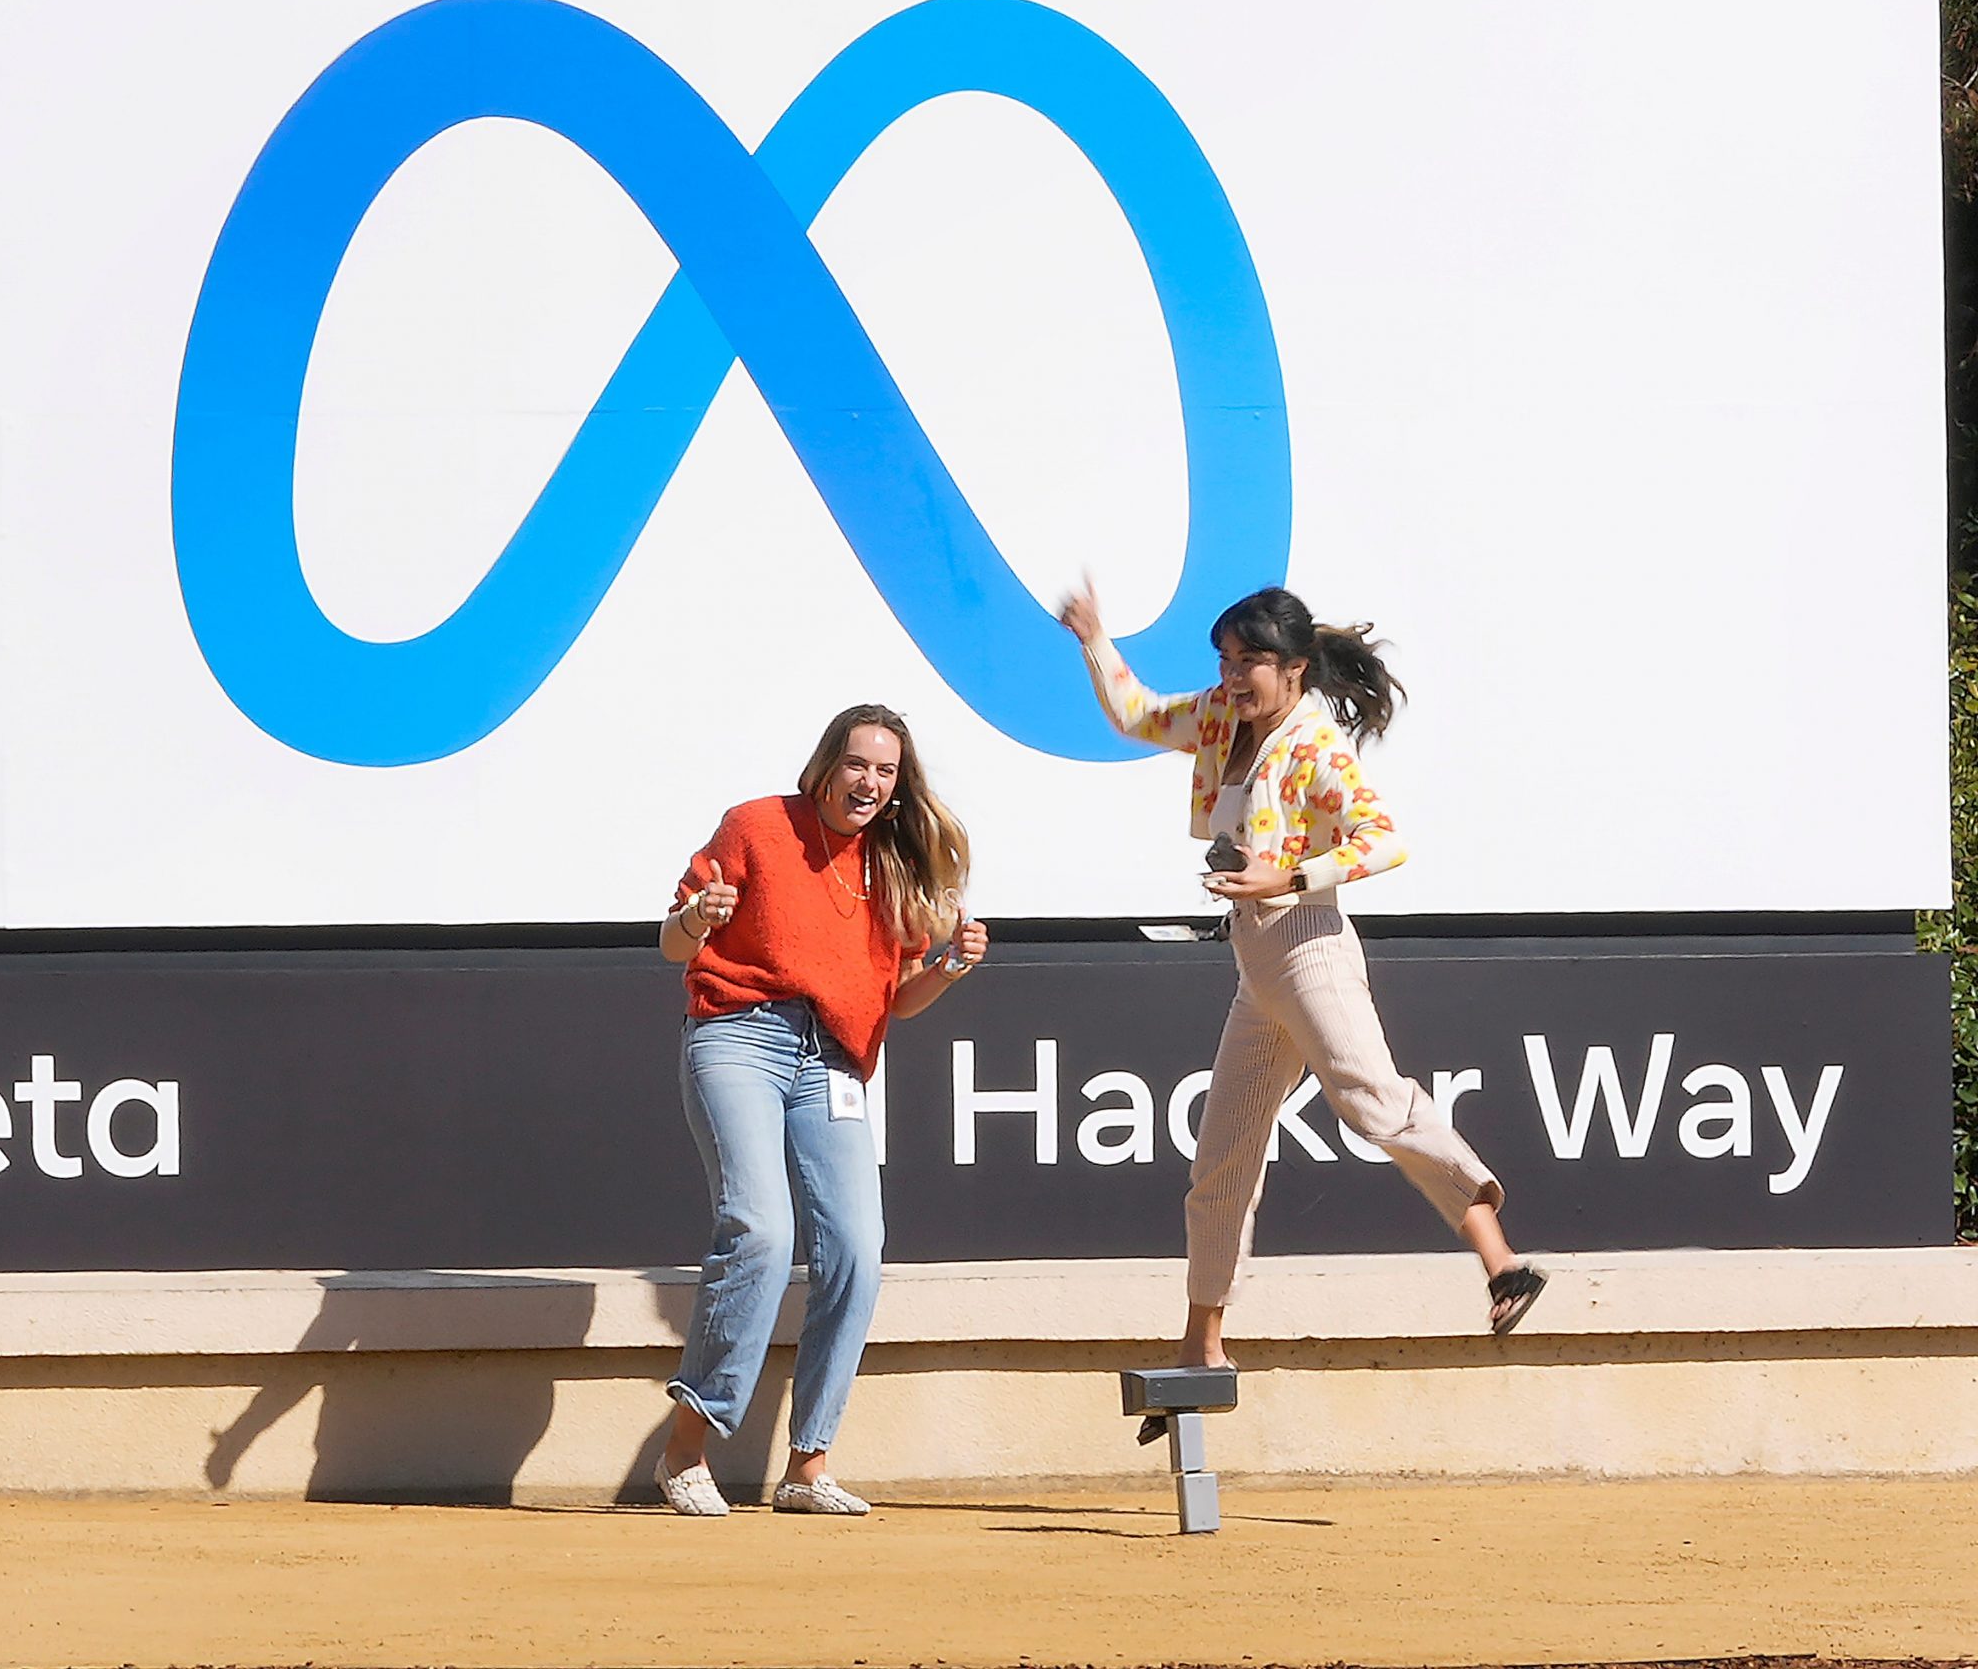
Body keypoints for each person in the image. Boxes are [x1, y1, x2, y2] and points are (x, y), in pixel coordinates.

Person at [1057, 580, 1545, 1422]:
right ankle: (1201, 1348)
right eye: (1227, 660)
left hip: (1310, 946)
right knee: (1223, 1157)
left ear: (1295, 669)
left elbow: (1383, 841)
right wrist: (1096, 639)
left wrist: (1287, 875)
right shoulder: (1217, 717)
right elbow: (1134, 715)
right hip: (1259, 964)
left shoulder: (1316, 745)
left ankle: (1501, 1260)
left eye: (1252, 663)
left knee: (1371, 1102)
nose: (1235, 677)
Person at [651, 704, 990, 1517]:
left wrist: (944, 967)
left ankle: (808, 1466)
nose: (870, 782)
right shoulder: (758, 826)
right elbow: (672, 943)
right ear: (826, 765)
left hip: (832, 1061)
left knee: (856, 1248)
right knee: (761, 1231)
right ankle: (685, 1449)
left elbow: (899, 1002)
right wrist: (698, 919)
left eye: (886, 770)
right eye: (858, 764)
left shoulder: (893, 866)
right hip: (739, 1036)